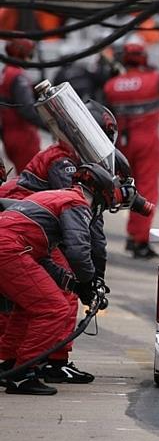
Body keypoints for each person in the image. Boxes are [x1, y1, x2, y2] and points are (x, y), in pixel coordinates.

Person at [0, 100, 118, 384]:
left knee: (33, 302)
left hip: (20, 240)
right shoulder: (71, 188)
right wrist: (90, 281)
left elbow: (44, 257)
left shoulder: (68, 178)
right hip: (13, 243)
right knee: (53, 306)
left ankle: (12, 362)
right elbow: (82, 246)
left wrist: (75, 282)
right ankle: (30, 369)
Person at [103, 42, 159, 258]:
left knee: (118, 190)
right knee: (147, 191)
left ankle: (128, 235)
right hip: (147, 142)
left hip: (121, 144)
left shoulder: (112, 85)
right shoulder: (153, 80)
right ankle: (139, 240)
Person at [0, 39, 45, 173]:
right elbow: (27, 109)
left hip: (9, 135)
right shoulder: (18, 75)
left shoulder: (5, 72)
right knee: (33, 178)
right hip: (24, 137)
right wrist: (50, 125)